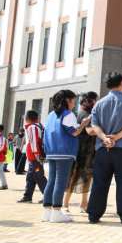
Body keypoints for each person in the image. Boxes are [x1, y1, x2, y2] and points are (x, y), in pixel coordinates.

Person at [87, 72, 122, 224]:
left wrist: (105, 138)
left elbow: (94, 125)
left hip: (102, 149)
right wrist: (116, 137)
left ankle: (94, 215)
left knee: (99, 182)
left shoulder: (99, 104)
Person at [42, 90, 90, 223]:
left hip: (51, 151)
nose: (74, 103)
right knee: (60, 182)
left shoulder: (51, 115)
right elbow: (74, 132)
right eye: (73, 100)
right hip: (65, 152)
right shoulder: (68, 114)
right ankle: (57, 211)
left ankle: (47, 212)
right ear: (67, 101)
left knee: (51, 181)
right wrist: (84, 124)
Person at [63, 92, 98, 213]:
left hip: (86, 151)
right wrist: (104, 133)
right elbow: (90, 131)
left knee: (84, 178)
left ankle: (82, 204)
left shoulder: (84, 113)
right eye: (94, 100)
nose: (95, 103)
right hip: (82, 151)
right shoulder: (85, 114)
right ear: (86, 101)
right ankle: (66, 204)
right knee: (75, 177)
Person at [17, 110, 47, 203]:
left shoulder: (32, 127)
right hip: (33, 157)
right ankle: (27, 196)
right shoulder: (37, 126)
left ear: (27, 118)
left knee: (39, 176)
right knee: (30, 177)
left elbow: (34, 143)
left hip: (35, 157)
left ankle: (48, 196)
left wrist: (37, 156)